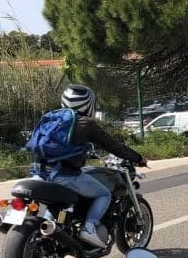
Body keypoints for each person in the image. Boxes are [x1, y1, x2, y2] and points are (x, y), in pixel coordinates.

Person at [36, 85, 147, 248]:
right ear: (88, 104)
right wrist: (137, 158)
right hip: (64, 175)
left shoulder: (50, 118)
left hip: (39, 173)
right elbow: (113, 146)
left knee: (55, 205)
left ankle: (50, 228)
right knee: (104, 194)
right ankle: (89, 227)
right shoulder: (86, 123)